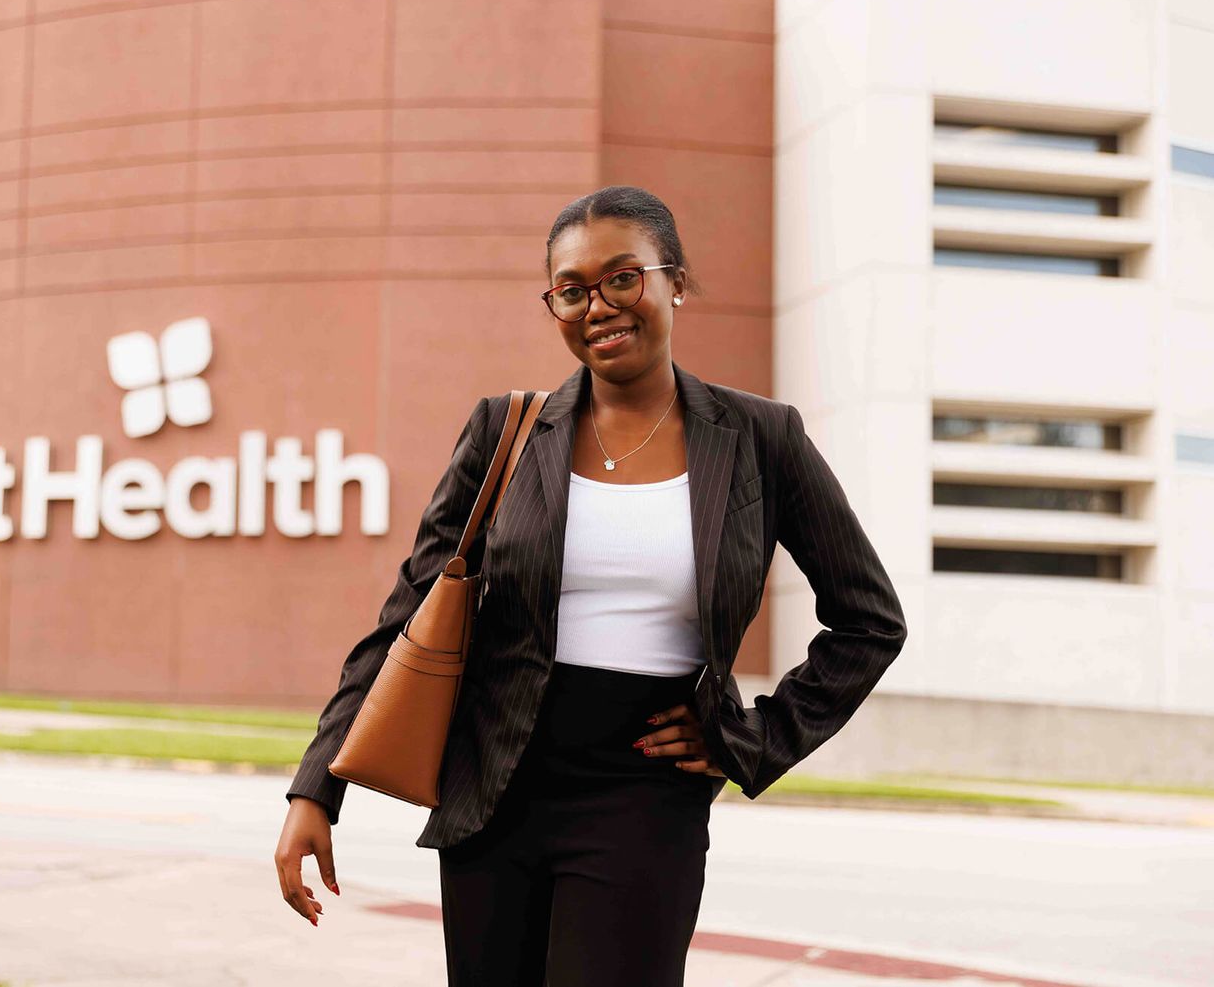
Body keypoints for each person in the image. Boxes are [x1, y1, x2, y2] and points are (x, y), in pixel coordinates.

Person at [274, 185, 908, 985]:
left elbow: (869, 621)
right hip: (495, 791)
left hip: (644, 795)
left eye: (622, 277)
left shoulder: (759, 438)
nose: (598, 305)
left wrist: (752, 737)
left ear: (674, 280)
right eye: (571, 290)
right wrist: (315, 790)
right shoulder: (504, 432)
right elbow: (405, 616)